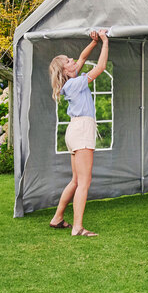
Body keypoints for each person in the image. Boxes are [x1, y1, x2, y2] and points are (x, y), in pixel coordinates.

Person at [47, 30, 109, 236]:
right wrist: (105, 41)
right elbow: (100, 67)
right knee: (84, 183)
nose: (73, 60)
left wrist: (93, 42)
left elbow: (83, 57)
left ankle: (57, 218)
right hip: (82, 130)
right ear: (66, 71)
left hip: (74, 130)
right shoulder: (75, 83)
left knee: (75, 181)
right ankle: (78, 227)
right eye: (68, 61)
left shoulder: (70, 82)